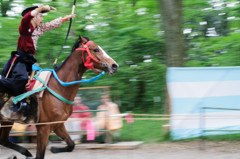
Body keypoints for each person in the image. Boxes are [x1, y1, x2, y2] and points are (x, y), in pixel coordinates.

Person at [0, 5, 76, 114]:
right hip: (20, 60)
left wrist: (66, 18)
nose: (42, 18)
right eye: (40, 16)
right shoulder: (25, 26)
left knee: (42, 81)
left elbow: (51, 25)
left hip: (30, 61)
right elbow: (26, 18)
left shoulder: (39, 29)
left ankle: (28, 104)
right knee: (21, 79)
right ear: (34, 17)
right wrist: (40, 8)